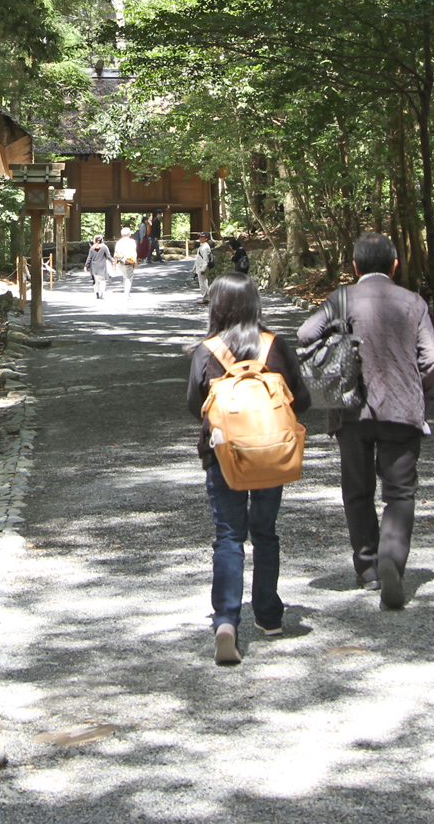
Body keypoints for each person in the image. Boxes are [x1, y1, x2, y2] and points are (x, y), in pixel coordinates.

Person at [296, 231, 434, 611]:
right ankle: (392, 561)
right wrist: (419, 393)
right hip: (402, 409)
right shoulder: (414, 302)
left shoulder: (343, 297)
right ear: (395, 265)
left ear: (355, 266)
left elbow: (304, 333)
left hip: (351, 409)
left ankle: (368, 569)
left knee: (357, 492)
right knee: (400, 494)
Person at [186, 273, 311, 664]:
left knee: (228, 536)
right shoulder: (275, 345)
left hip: (223, 456)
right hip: (271, 454)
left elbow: (195, 406)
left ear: (217, 305)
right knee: (265, 532)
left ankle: (226, 620)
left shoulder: (206, 351)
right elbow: (301, 400)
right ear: (256, 303)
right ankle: (270, 615)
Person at [112, 226, 140, 295]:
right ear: (129, 234)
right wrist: (135, 262)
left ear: (122, 234)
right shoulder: (132, 242)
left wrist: (115, 262)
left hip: (121, 261)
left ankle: (126, 292)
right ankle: (127, 293)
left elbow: (115, 253)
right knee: (128, 278)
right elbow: (134, 252)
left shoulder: (119, 242)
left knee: (125, 276)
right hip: (129, 260)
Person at [193, 234, 214, 302]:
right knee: (202, 282)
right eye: (200, 237)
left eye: (202, 237)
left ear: (206, 238)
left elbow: (205, 259)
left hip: (202, 267)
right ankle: (205, 296)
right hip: (199, 266)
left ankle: (206, 298)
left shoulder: (205, 247)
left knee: (203, 283)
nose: (200, 238)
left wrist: (203, 269)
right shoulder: (202, 246)